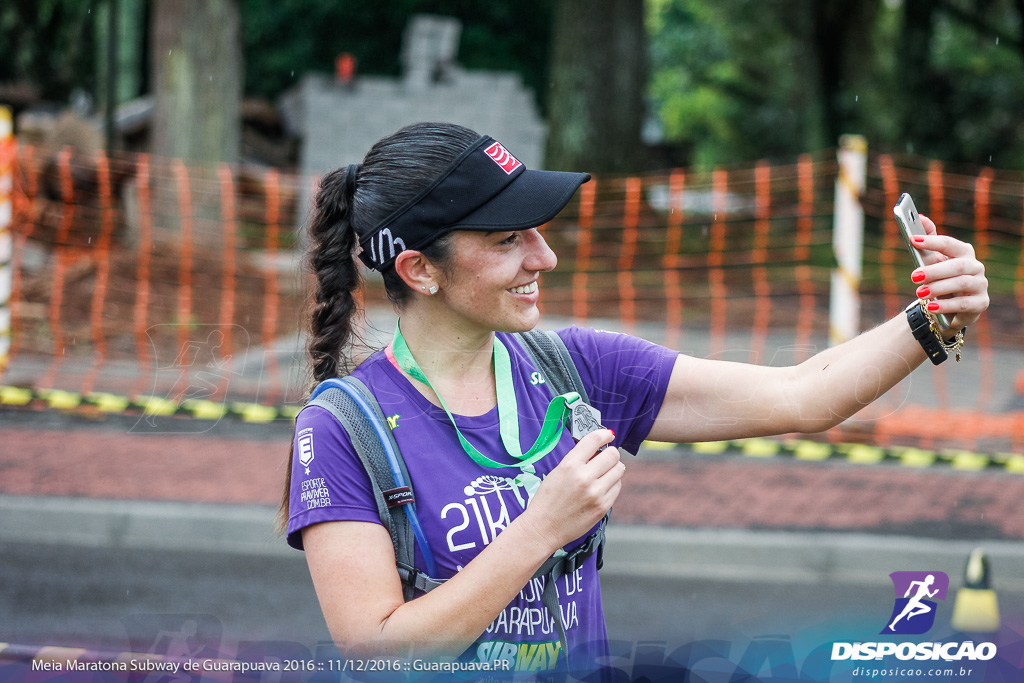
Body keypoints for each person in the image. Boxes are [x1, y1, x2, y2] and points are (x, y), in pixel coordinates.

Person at [279, 122, 989, 677]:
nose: (543, 256)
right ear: (418, 269)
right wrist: (537, 530)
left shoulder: (576, 367)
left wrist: (931, 317)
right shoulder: (343, 428)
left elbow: (805, 395)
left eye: (537, 229)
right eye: (507, 239)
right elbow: (377, 653)